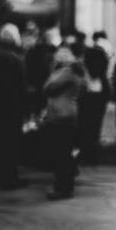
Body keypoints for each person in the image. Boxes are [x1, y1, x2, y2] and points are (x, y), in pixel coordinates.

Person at [0, 23, 28, 189]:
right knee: (11, 142)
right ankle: (10, 177)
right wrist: (25, 106)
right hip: (13, 106)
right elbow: (21, 85)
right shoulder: (15, 58)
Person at [43, 46, 85, 200]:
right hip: (67, 114)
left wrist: (53, 72)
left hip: (61, 115)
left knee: (61, 154)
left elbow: (48, 87)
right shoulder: (74, 72)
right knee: (64, 153)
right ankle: (64, 185)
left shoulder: (67, 72)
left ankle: (63, 188)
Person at [78, 31, 111, 164]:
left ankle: (85, 152)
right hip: (100, 93)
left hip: (88, 93)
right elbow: (105, 76)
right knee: (96, 125)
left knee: (85, 124)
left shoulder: (86, 58)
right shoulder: (103, 58)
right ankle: (93, 153)